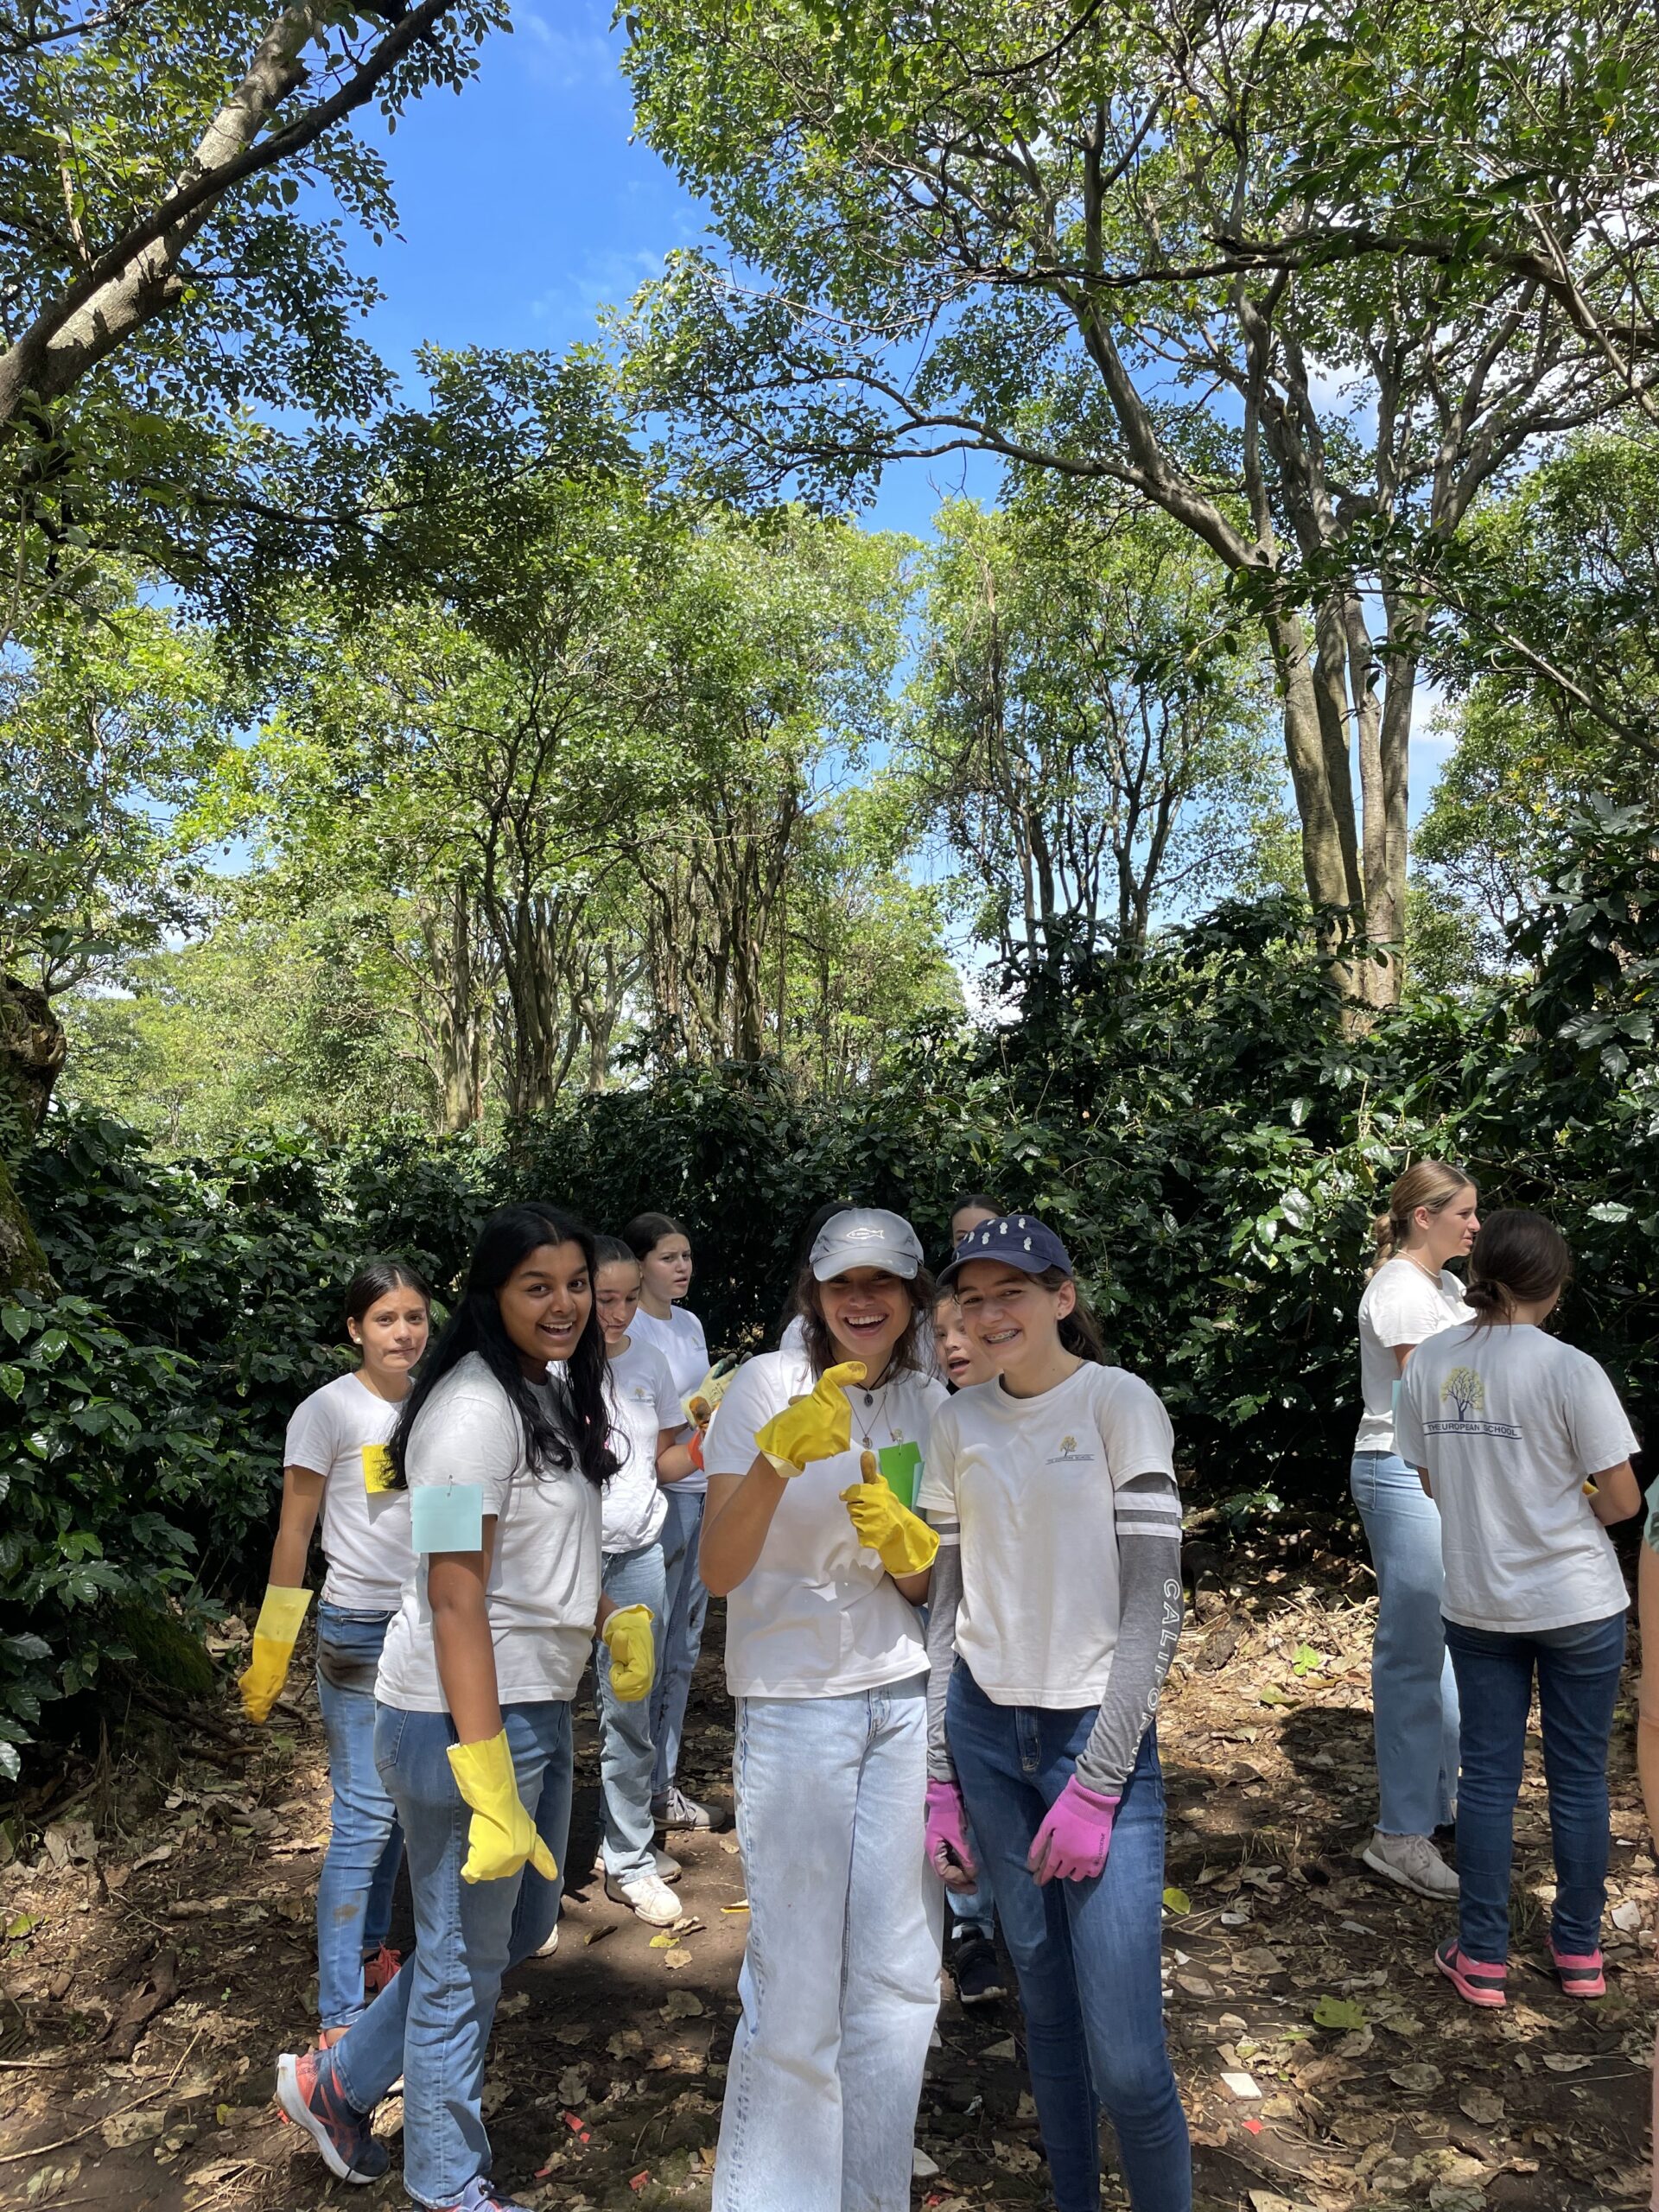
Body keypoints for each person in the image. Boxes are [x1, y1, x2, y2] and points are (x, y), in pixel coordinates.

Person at [275, 1205, 655, 2212]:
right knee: (457, 1961)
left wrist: (606, 1615)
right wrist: (483, 1765)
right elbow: (453, 1597)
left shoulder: (548, 1390)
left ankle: (336, 2083)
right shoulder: (469, 1412)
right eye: (538, 1285)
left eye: (576, 1283)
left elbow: (538, 1558)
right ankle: (446, 2183)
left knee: (518, 1924)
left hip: (534, 1702)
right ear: (491, 1296)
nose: (565, 1303)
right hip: (456, 1718)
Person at [921, 1214, 1191, 2212]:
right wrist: (939, 1781)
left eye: (1014, 1293)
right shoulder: (956, 1422)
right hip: (987, 1735)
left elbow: (1155, 1601)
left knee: (1129, 2059)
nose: (991, 1316)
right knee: (1047, 2012)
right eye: (973, 1299)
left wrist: (1100, 1783)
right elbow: (946, 1609)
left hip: (1092, 1741)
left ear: (1062, 1297)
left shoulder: (1120, 1404)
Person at [700, 1205, 947, 2212]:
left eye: (882, 1282)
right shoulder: (764, 1385)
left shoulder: (931, 1401)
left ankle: (870, 2195)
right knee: (797, 1990)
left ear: (912, 1296)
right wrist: (775, 1459)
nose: (862, 1300)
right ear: (814, 1290)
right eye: (844, 1281)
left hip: (901, 1698)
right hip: (795, 1705)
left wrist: (906, 1545)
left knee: (899, 1982)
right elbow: (718, 1569)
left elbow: (926, 1586)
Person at [1397, 1209, 1641, 2010]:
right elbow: (1623, 1501)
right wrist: (1562, 1505)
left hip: (1479, 1600)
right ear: (1555, 1285)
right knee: (1579, 1779)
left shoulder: (1430, 1362)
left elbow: (1430, 1480)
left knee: (1489, 1778)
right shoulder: (1571, 1369)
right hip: (1578, 1602)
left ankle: (1482, 1957)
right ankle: (1579, 1951)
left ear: (1478, 1274)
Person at [238, 1259, 431, 2045]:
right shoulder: (327, 1410)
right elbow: (295, 1529)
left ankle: (372, 1951)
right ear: (355, 1328)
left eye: (415, 1317)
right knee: (364, 1814)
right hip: (357, 1628)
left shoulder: (439, 1402)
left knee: (403, 1806)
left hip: (427, 1622)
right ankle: (341, 2015)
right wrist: (273, 1644)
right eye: (385, 1319)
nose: (403, 1333)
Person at [1351, 1160, 1480, 1900]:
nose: (1476, 1226)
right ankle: (1398, 1835)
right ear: (1423, 1217)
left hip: (1440, 1473)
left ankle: (1439, 1803)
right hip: (1403, 1472)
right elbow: (1425, 1398)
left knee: (1446, 1643)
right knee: (1411, 1653)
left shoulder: (1447, 1287)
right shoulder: (1400, 1289)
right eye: (1464, 1213)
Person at [592, 1234, 700, 1925]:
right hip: (562, 1564)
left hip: (638, 1555)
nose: (619, 1313)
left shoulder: (650, 1361)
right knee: (541, 1716)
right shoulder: (552, 1367)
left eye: (630, 1298)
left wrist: (712, 1440)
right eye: (605, 1298)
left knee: (631, 1707)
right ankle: (534, 1884)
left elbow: (663, 1462)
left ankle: (627, 1855)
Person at [624, 1211, 716, 1833]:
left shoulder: (690, 1323)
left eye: (685, 1256)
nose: (681, 1267)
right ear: (639, 1266)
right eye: (668, 1257)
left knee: (684, 1647)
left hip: (705, 1485)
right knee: (651, 1648)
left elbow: (696, 1407)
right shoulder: (628, 1330)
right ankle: (636, 1796)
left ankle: (664, 1784)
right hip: (662, 1495)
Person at [929, 1289, 1007, 2008]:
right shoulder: (943, 1424)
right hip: (962, 1642)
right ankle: (971, 1927)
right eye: (940, 1333)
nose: (953, 1343)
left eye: (965, 1329)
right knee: (962, 1782)